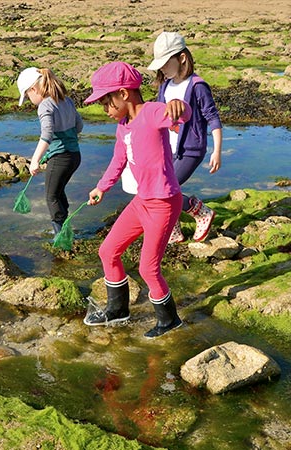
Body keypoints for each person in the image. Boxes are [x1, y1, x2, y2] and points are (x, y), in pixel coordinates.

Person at [82, 61, 192, 339]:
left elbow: (182, 115)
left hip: (164, 203)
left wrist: (181, 105)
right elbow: (118, 159)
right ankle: (118, 310)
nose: (105, 110)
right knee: (108, 251)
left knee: (148, 267)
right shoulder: (123, 125)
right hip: (142, 202)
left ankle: (169, 322)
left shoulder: (153, 112)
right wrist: (101, 187)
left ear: (123, 93)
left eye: (106, 103)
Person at [148, 31, 223, 244]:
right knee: (161, 188)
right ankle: (175, 229)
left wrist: (216, 151)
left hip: (191, 149)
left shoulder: (197, 86)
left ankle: (201, 211)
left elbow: (213, 118)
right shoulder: (165, 85)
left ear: (181, 58)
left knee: (164, 188)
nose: (162, 68)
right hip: (167, 148)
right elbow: (159, 114)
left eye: (165, 63)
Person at [17, 67, 83, 235]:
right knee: (58, 191)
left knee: (51, 196)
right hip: (75, 156)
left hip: (60, 159)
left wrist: (35, 160)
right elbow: (79, 126)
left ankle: (61, 236)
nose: (30, 100)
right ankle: (65, 228)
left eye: (28, 96)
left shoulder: (45, 105)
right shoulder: (66, 100)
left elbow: (46, 134)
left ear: (34, 89)